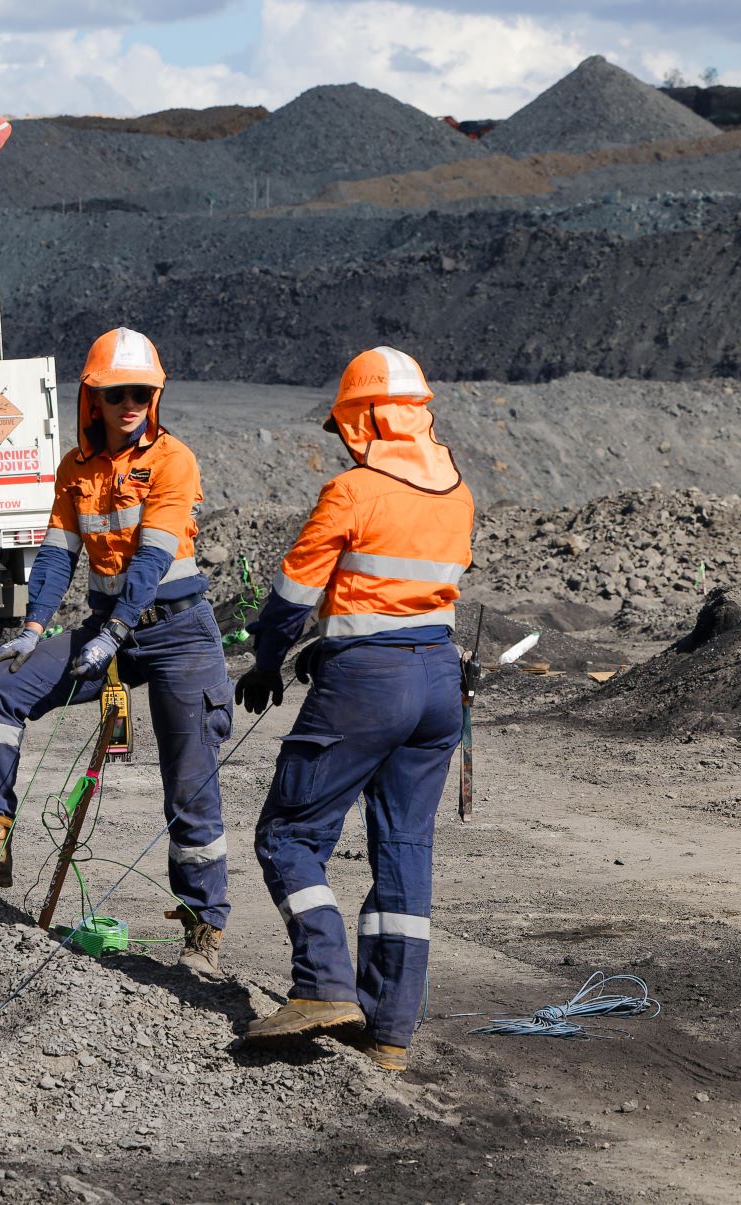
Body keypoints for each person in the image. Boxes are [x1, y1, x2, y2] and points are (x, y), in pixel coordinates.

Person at [0, 327, 235, 980]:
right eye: (117, 393)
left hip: (176, 630)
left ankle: (204, 925)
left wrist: (118, 631)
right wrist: (32, 628)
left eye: (142, 392)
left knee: (190, 784)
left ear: (156, 394)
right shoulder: (76, 469)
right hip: (105, 626)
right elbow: (58, 555)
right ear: (94, 397)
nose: (130, 403)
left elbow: (150, 557)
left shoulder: (174, 460)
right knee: (0, 685)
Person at [234, 346, 474, 1072]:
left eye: (347, 422)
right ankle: (390, 1032)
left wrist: (269, 659)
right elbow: (404, 598)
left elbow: (289, 600)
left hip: (370, 685)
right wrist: (335, 643)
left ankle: (322, 986)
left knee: (288, 834)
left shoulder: (353, 490)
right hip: (438, 679)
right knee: (403, 849)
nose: (343, 436)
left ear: (366, 418)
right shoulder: (456, 489)